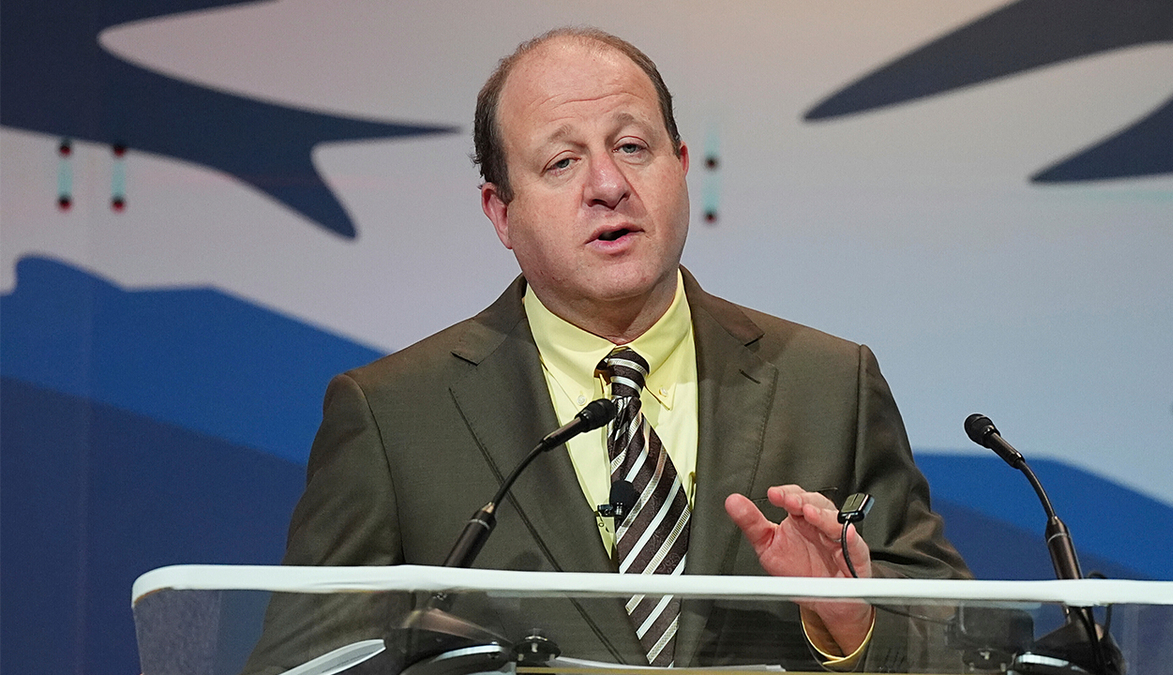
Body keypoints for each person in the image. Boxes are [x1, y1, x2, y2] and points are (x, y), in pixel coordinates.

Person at [248, 27, 969, 673]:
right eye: (562, 162)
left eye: (632, 147)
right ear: (501, 211)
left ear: (681, 164)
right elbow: (305, 665)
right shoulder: (395, 416)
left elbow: (963, 645)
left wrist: (855, 624)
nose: (608, 185)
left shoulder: (828, 384)